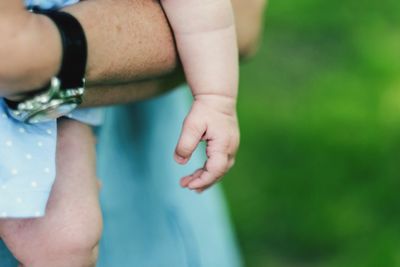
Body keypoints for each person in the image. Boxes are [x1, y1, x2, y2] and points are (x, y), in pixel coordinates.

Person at [0, 0, 266, 266]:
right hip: (43, 80)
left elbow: (217, 12)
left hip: (52, 106)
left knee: (66, 242)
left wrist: (215, 100)